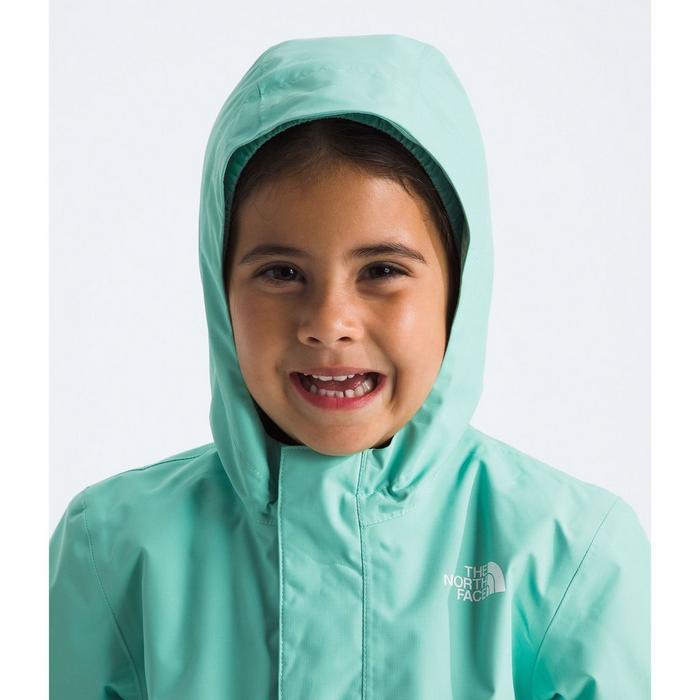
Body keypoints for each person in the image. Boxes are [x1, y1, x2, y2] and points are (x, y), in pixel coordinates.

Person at [50, 34, 650, 699]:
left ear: (459, 289)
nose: (328, 322)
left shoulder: (569, 557)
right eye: (281, 272)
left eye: (382, 271)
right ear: (221, 291)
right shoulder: (114, 551)